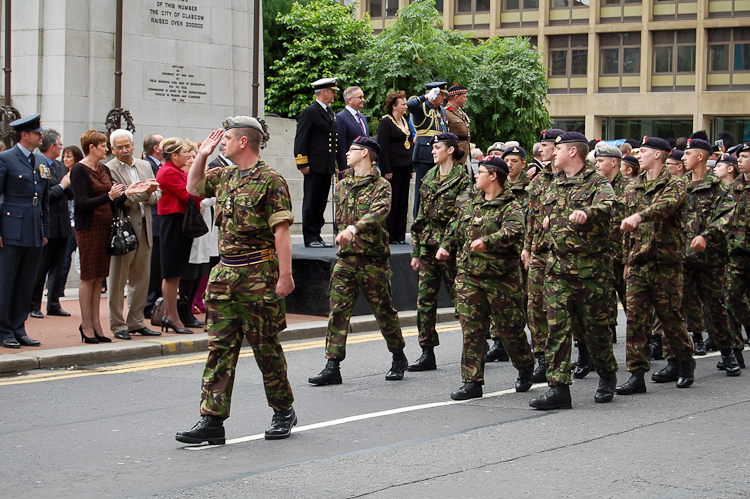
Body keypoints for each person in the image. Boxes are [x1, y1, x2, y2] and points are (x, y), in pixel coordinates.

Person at [178, 116, 297, 443]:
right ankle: (212, 421)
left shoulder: (271, 180)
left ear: (243, 141)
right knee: (220, 348)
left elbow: (282, 230)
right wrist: (201, 155)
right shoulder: (225, 175)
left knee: (265, 348)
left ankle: (283, 410)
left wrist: (285, 276)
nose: (223, 142)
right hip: (225, 275)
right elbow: (192, 188)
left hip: (258, 275)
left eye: (227, 138)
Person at [308, 137, 408, 385]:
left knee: (383, 311)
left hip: (372, 259)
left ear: (365, 153)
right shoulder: (342, 185)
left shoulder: (381, 185)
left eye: (351, 150)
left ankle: (398, 356)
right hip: (345, 259)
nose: (346, 154)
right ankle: (332, 365)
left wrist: (353, 229)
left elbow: (378, 213)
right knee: (338, 312)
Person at [529, 131, 618, 410]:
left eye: (558, 148)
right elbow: (545, 211)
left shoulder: (596, 181)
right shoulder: (554, 182)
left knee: (595, 331)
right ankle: (559, 389)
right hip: (557, 269)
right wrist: (547, 221)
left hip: (590, 271)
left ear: (572, 152)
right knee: (556, 329)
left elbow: (609, 204)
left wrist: (587, 213)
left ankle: (606, 375)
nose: (553, 152)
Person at [436, 156, 535, 400]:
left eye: (480, 172)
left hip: (501, 279)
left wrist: (487, 241)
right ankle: (472, 382)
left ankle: (525, 366)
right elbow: (456, 227)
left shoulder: (511, 205)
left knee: (509, 329)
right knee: (472, 330)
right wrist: (446, 245)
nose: (476, 176)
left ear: (493, 176)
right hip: (470, 277)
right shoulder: (472, 203)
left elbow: (514, 230)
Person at [617, 136, 695, 395]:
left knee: (669, 317)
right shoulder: (633, 186)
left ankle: (684, 362)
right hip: (639, 262)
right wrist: (628, 260)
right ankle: (636, 374)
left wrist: (640, 216)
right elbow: (626, 231)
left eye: (645, 151)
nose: (639, 155)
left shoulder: (676, 183)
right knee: (636, 320)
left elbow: (666, 207)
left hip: (665, 263)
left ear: (659, 155)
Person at [71, 130, 149, 344]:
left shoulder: (103, 168)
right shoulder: (79, 170)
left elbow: (114, 202)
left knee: (99, 278)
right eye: (104, 145)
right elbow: (81, 204)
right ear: (92, 148)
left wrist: (127, 193)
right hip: (88, 229)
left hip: (106, 226)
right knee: (88, 277)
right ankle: (86, 325)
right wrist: (109, 195)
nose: (107, 149)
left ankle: (96, 324)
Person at [408, 133, 471, 371]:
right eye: (432, 147)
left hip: (452, 251)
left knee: (462, 300)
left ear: (451, 150)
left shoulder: (463, 180)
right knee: (425, 301)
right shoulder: (429, 178)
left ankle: (473, 346)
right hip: (428, 249)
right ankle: (427, 351)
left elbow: (460, 216)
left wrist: (446, 244)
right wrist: (416, 251)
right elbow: (420, 217)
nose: (433, 151)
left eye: (437, 147)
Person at [678, 137, 741, 375]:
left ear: (700, 157)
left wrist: (706, 236)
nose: (683, 158)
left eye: (687, 154)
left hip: (710, 258)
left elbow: (725, 216)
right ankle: (682, 358)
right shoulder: (679, 185)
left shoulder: (719, 187)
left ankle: (728, 353)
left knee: (715, 307)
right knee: (681, 307)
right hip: (681, 257)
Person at [105, 129, 162, 340]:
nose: (124, 150)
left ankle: (136, 321)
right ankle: (117, 324)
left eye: (127, 146)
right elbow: (120, 198)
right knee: (118, 281)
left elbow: (157, 193)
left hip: (145, 227)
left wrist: (148, 193)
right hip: (123, 229)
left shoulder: (145, 165)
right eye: (119, 147)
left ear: (134, 145)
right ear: (112, 149)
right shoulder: (108, 168)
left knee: (141, 279)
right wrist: (144, 193)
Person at [0, 114, 48, 349]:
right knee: (6, 280)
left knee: (26, 281)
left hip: (33, 227)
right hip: (11, 227)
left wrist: (44, 229)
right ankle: (4, 329)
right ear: (24, 135)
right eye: (37, 133)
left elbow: (44, 199)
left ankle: (19, 327)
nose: (41, 136)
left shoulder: (40, 161)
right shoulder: (5, 159)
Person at [521, 129, 564, 383]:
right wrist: (527, 247)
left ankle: (582, 352)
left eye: (547, 146)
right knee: (535, 306)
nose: (542, 150)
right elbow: (532, 217)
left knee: (564, 309)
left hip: (564, 251)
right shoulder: (537, 181)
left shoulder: (576, 178)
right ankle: (542, 357)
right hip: (539, 250)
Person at [486, 145, 530, 363]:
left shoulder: (530, 188)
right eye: (507, 161)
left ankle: (529, 345)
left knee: (526, 299)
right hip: (500, 253)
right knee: (501, 300)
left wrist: (528, 247)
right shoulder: (495, 188)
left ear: (523, 163)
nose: (511, 165)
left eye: (515, 161)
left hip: (524, 250)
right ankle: (499, 342)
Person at [155, 138, 200, 334]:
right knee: (172, 273)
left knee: (176, 272)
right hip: (172, 222)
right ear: (174, 155)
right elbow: (188, 195)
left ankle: (172, 314)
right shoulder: (168, 172)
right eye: (183, 152)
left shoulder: (177, 171)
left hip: (179, 222)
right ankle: (171, 315)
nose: (186, 155)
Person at [30, 129, 72, 318]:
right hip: (48, 223)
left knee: (59, 264)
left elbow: (68, 194)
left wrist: (70, 186)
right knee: (41, 267)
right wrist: (62, 186)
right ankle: (33, 304)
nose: (61, 149)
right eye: (60, 145)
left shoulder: (61, 166)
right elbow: (44, 195)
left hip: (63, 223)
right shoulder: (38, 164)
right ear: (52, 146)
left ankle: (53, 303)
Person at [294, 77, 339, 248]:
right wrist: (302, 163)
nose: (334, 94)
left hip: (325, 165)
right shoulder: (310, 112)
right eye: (332, 91)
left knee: (321, 202)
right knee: (311, 201)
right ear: (324, 92)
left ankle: (317, 234)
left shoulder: (329, 112)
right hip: (313, 165)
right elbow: (301, 140)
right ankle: (310, 236)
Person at [594, 145, 631, 344]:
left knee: (632, 306)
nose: (596, 165)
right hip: (603, 255)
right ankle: (607, 340)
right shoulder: (597, 186)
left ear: (614, 162)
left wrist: (628, 258)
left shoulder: (630, 187)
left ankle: (650, 344)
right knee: (603, 306)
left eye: (601, 161)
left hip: (623, 255)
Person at [377, 90, 413, 245]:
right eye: (403, 104)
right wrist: (386, 169)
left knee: (403, 200)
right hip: (393, 167)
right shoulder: (386, 122)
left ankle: (400, 235)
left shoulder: (404, 121)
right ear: (394, 105)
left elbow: (409, 145)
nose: (406, 107)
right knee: (393, 200)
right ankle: (390, 234)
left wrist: (411, 168)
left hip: (405, 166)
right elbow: (382, 147)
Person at [407, 82, 449, 218]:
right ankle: (418, 224)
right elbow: (410, 105)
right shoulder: (422, 107)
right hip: (424, 155)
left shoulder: (440, 110)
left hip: (440, 154)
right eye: (441, 95)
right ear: (434, 95)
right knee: (422, 191)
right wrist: (425, 97)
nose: (444, 98)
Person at [726, 143, 750, 346]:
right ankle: (734, 348)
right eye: (739, 157)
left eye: (744, 157)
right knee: (731, 296)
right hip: (736, 252)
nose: (739, 161)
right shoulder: (733, 187)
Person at [142, 134, 164, 318]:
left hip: (160, 221)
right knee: (153, 267)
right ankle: (149, 304)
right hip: (154, 219)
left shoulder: (158, 165)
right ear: (156, 148)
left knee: (158, 267)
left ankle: (155, 301)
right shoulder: (148, 165)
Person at [58, 145, 84, 298]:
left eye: (69, 156)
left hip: (77, 222)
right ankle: (59, 288)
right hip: (67, 221)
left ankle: (99, 285)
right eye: (64, 156)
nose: (65, 159)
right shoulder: (63, 174)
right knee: (65, 256)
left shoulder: (78, 174)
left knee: (81, 258)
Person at [336, 86, 369, 172]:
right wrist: (344, 169)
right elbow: (341, 145)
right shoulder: (341, 118)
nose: (363, 100)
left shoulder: (363, 117)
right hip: (350, 167)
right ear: (350, 100)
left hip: (364, 166)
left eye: (363, 97)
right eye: (360, 97)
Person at [444, 84, 473, 178]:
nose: (466, 99)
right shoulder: (446, 112)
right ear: (456, 97)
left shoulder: (460, 112)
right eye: (464, 97)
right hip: (455, 155)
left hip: (464, 153)